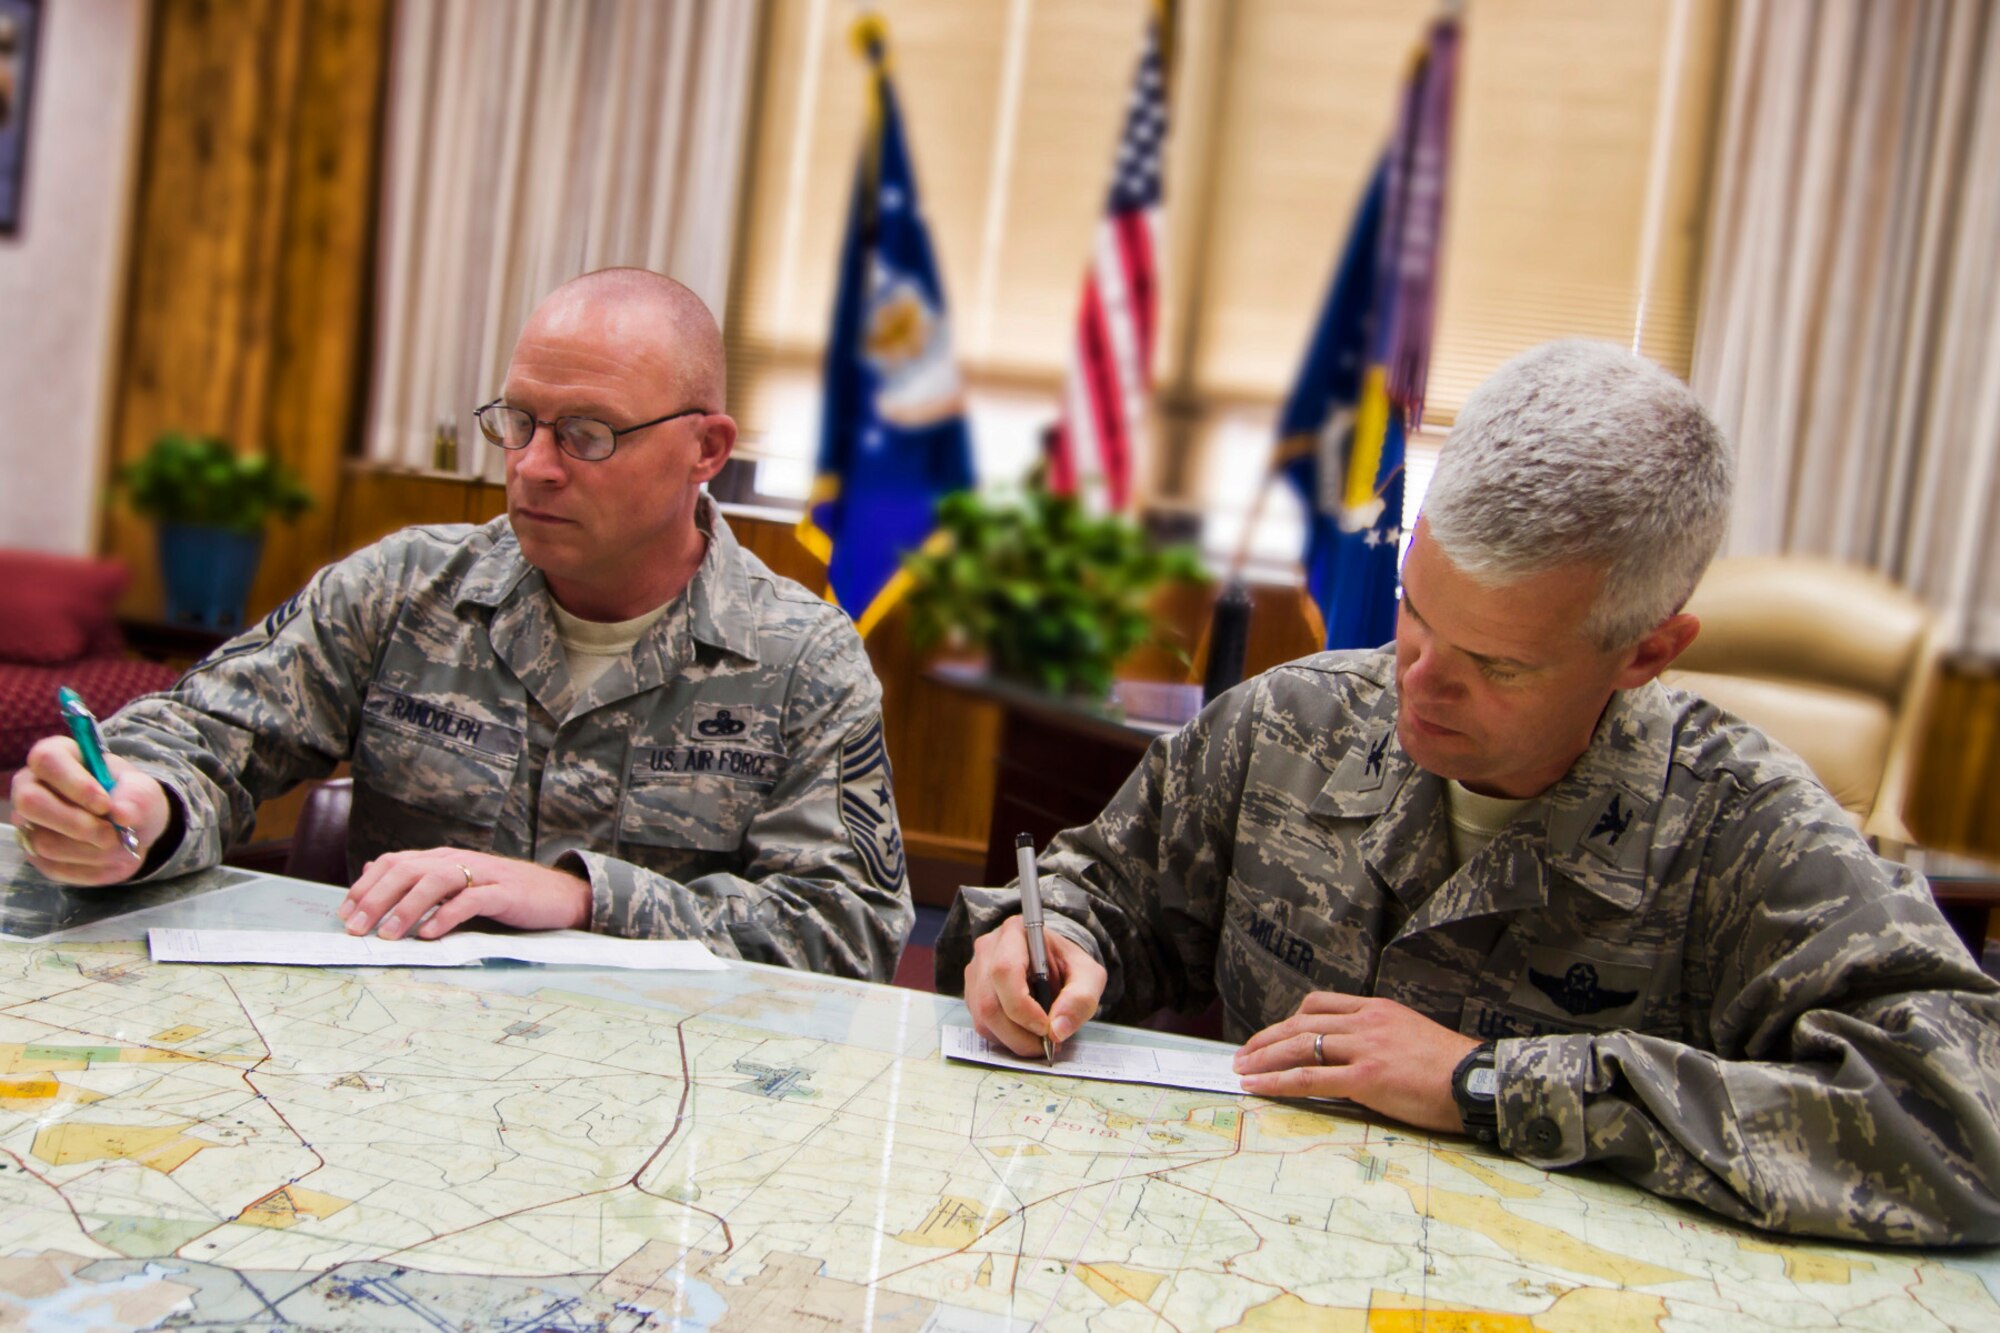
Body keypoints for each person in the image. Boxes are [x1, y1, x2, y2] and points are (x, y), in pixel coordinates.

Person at [938, 340, 2000, 1244]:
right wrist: (1049, 941)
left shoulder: (1740, 827)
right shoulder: (1291, 722)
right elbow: (1098, 890)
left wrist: (1488, 1082)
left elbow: (1966, 1119)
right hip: (1239, 1245)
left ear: (1644, 652)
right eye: (1414, 610)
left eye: (1496, 664)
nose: (1417, 679)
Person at [9, 268, 912, 982]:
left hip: (661, 1093)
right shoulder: (406, 587)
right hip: (392, 1065)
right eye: (518, 422)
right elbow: (202, 733)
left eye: (588, 434)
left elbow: (849, 931)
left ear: (706, 450)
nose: (533, 467)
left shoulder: (802, 658)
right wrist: (139, 804)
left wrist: (580, 899)